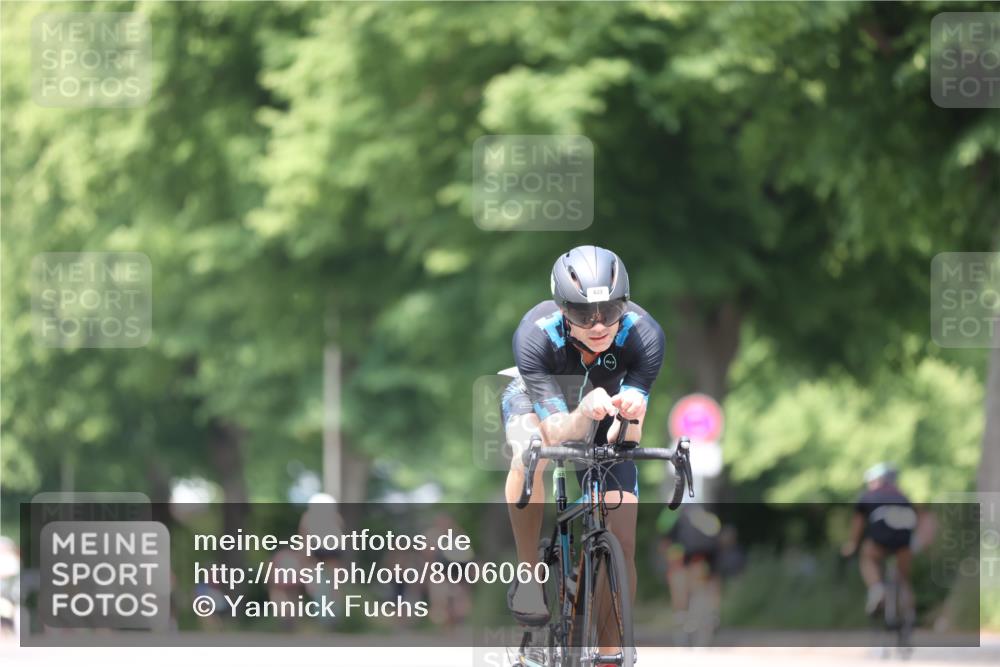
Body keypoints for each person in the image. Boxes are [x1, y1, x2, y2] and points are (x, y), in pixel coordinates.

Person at [502, 246, 665, 663]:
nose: (597, 325)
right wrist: (582, 411)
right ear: (562, 310)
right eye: (582, 313)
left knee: (623, 539)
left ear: (624, 305)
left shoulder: (645, 335)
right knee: (528, 451)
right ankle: (528, 575)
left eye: (609, 310)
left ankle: (609, 654)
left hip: (602, 405)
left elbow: (625, 437)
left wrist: (629, 417)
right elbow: (557, 429)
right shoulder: (535, 335)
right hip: (541, 403)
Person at [841, 462, 918, 617]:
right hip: (904, 537)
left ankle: (877, 589)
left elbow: (858, 523)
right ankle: (909, 612)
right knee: (903, 577)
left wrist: (853, 545)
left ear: (875, 480)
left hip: (881, 534)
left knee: (867, 556)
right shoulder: (903, 496)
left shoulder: (868, 496)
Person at [656, 504, 723, 639]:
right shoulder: (707, 513)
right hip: (707, 556)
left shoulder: (671, 511)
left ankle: (681, 617)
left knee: (679, 586)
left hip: (682, 556)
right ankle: (712, 613)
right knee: (707, 583)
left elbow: (664, 537)